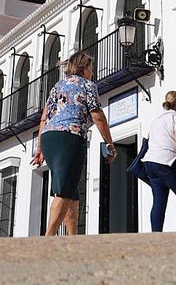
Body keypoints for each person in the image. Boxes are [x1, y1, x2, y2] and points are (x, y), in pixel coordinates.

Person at [31, 51, 117, 236]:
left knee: (71, 189)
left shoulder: (57, 86)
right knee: (63, 191)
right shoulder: (87, 85)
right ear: (84, 68)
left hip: (49, 138)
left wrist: (40, 148)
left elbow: (44, 118)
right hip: (70, 137)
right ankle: (47, 239)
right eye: (91, 68)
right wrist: (110, 143)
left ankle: (73, 238)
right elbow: (97, 115)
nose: (92, 72)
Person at [138, 91, 176, 232]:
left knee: (159, 201)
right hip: (167, 162)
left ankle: (156, 235)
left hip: (150, 163)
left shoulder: (156, 120)